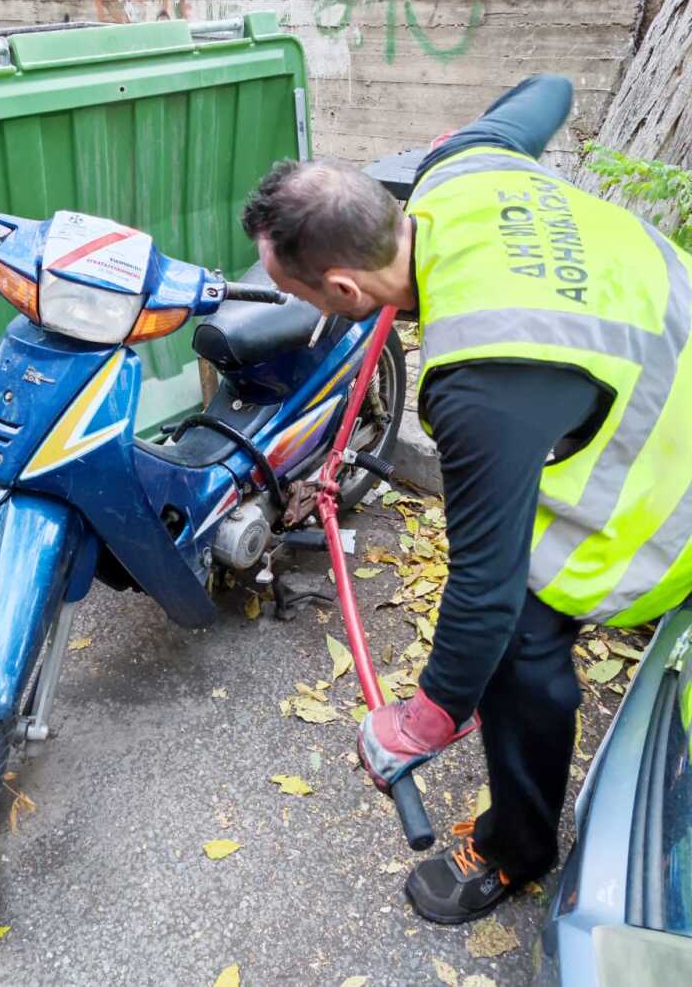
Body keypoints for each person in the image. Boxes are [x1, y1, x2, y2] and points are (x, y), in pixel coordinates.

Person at [241, 75, 692, 925]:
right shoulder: (466, 165)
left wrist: (420, 721)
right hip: (672, 354)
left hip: (677, 484)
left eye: (303, 297)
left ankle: (517, 849)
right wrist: (472, 133)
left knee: (520, 635)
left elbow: (482, 588)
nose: (307, 309)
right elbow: (548, 90)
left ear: (343, 289)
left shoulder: (478, 381)